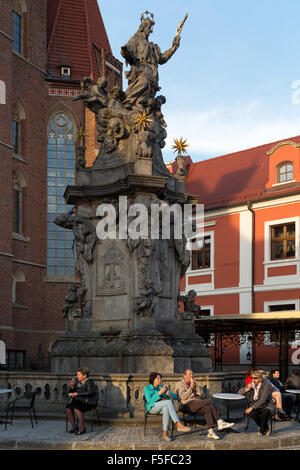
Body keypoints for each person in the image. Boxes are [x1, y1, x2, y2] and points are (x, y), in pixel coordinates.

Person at [175, 369, 234, 440]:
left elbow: (201, 395)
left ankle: (210, 432)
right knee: (209, 401)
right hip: (186, 405)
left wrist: (196, 387)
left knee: (207, 408)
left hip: (195, 403)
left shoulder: (193, 383)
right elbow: (183, 397)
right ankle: (219, 421)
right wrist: (191, 388)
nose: (192, 376)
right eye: (190, 374)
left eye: (192, 374)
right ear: (184, 376)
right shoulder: (180, 384)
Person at [144, 371, 191, 442]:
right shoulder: (147, 388)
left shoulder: (161, 387)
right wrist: (160, 393)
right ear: (153, 380)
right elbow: (149, 401)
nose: (160, 380)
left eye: (161, 379)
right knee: (168, 402)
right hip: (152, 408)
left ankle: (165, 434)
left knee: (166, 409)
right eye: (158, 379)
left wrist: (168, 394)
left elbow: (175, 397)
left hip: (162, 406)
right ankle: (178, 424)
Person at [238, 370, 275, 436]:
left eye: (255, 378)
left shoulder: (266, 385)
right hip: (255, 405)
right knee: (252, 413)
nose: (253, 379)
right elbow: (239, 393)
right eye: (252, 377)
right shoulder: (251, 384)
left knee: (265, 413)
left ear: (260, 378)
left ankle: (261, 430)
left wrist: (251, 407)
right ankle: (265, 428)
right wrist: (248, 388)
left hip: (267, 405)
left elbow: (263, 399)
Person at [66, 367, 98, 435]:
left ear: (85, 375)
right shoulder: (78, 382)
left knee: (76, 408)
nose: (77, 376)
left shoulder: (90, 382)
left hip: (88, 402)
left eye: (79, 375)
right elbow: (72, 392)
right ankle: (74, 426)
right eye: (77, 374)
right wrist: (71, 387)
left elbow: (90, 393)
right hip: (80, 401)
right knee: (68, 408)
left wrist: (77, 394)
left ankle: (82, 428)